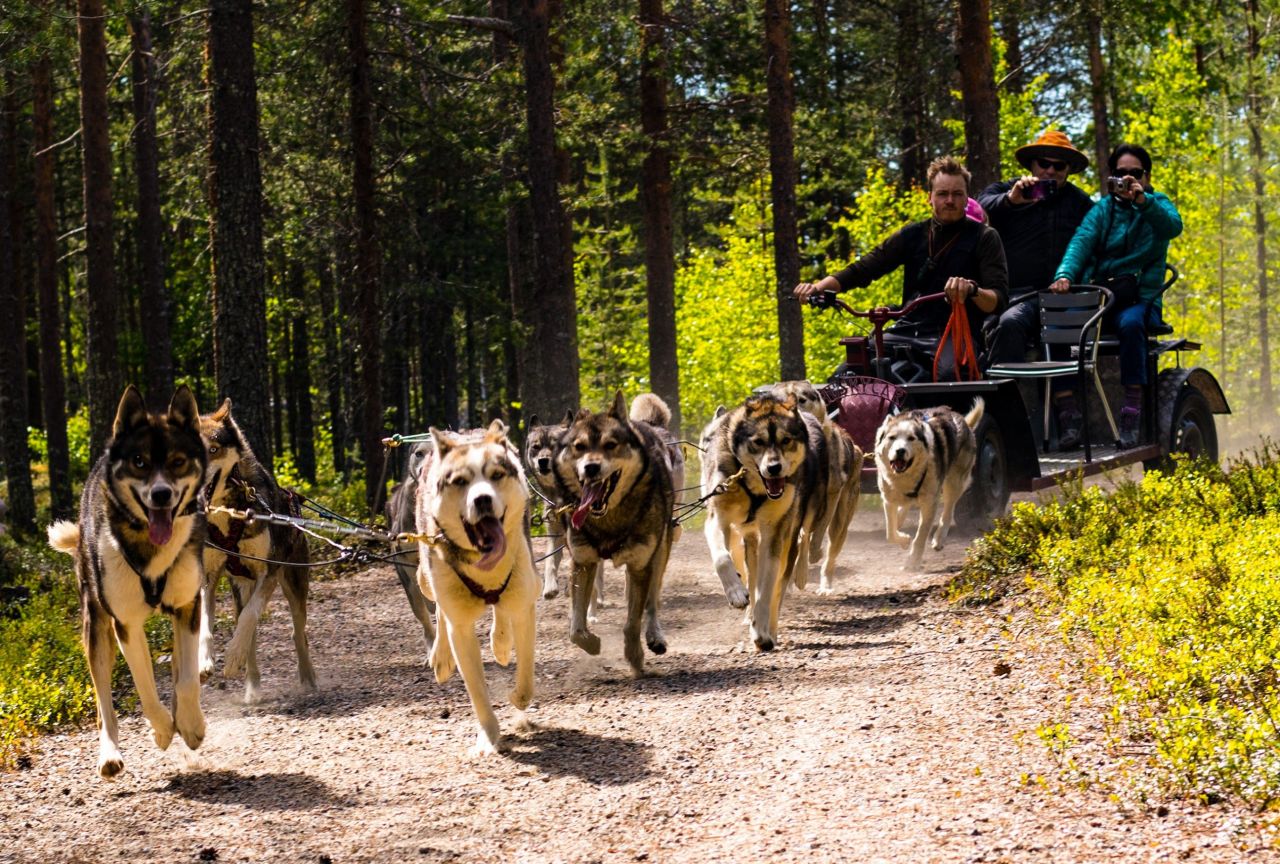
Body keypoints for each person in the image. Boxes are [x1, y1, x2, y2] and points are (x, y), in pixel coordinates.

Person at [793, 156, 1008, 381]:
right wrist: (817, 288)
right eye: (942, 194)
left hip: (955, 334)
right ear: (930, 198)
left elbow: (998, 300)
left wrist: (972, 290)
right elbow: (865, 268)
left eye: (957, 194)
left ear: (967, 199)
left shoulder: (984, 237)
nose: (950, 200)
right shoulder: (912, 235)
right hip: (907, 330)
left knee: (949, 377)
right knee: (846, 373)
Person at [1050, 143, 1183, 449]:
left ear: (1146, 177)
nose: (1127, 179)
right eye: (1120, 173)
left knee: (1131, 325)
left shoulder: (1158, 205)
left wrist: (1142, 201)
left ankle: (1132, 414)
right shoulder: (1102, 210)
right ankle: (1068, 413)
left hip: (1140, 300)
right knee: (1057, 327)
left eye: (1134, 173)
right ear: (1111, 176)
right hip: (1102, 298)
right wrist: (1064, 275)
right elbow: (1081, 241)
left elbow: (1172, 227)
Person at [978, 130, 1095, 448]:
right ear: (1032, 164)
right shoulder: (1006, 191)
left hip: (1066, 297)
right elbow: (976, 211)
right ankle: (1001, 417)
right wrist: (1012, 201)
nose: (1051, 172)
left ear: (1068, 170)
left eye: (1060, 167)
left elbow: (1100, 235)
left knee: (1070, 331)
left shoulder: (1080, 202)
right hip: (1019, 296)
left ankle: (1069, 414)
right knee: (1010, 323)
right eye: (1045, 164)